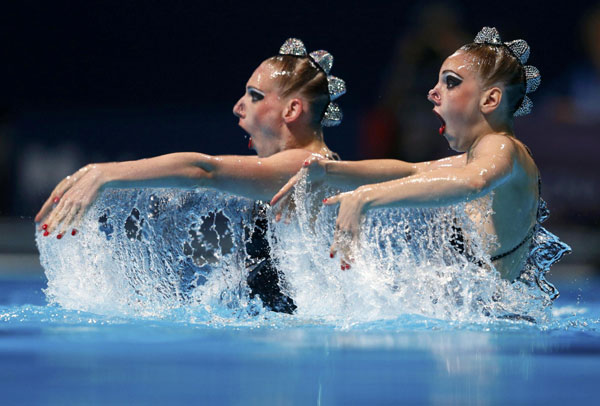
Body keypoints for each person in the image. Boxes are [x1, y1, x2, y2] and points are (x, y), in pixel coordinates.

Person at [34, 38, 346, 313]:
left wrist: (104, 173)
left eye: (254, 95)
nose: (238, 107)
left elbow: (203, 170)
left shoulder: (308, 167)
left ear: (292, 111)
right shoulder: (305, 166)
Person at [272, 27, 570, 292]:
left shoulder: (502, 147)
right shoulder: (484, 155)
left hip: (492, 333)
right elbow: (411, 171)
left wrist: (365, 198)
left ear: (490, 100)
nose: (432, 93)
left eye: (450, 83)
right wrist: (328, 170)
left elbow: (473, 182)